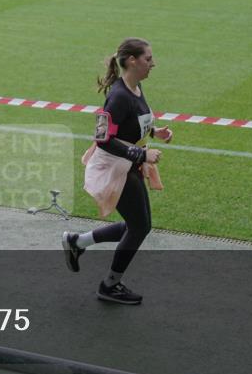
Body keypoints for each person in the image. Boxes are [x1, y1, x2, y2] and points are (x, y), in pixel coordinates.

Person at [62, 38, 173, 305]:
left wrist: (154, 132)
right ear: (132, 61)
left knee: (138, 224)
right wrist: (141, 153)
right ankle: (109, 285)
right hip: (114, 167)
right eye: (148, 58)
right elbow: (102, 138)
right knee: (139, 226)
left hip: (126, 165)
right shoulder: (118, 96)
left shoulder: (135, 87)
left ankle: (77, 242)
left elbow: (131, 123)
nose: (152, 63)